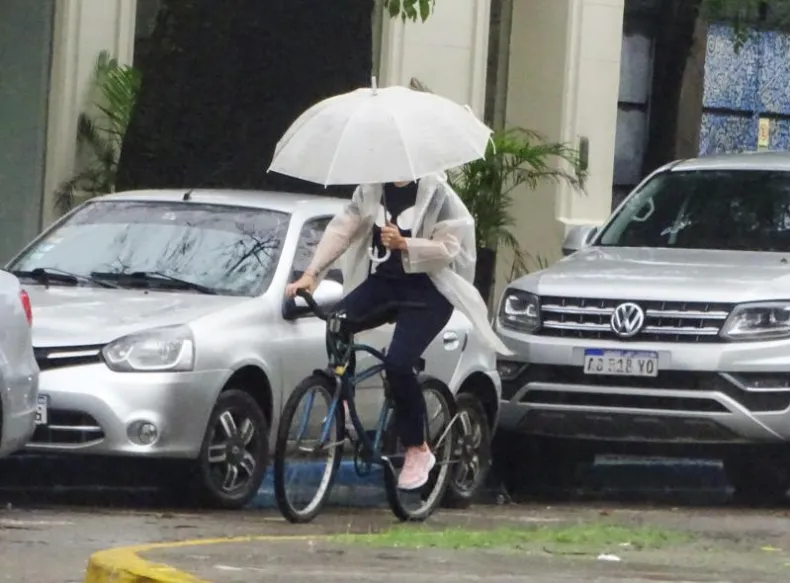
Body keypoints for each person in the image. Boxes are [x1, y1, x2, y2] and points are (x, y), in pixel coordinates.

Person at [286, 173, 510, 491]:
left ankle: (417, 448)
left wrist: (406, 243)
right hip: (386, 284)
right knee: (337, 322)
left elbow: (450, 247)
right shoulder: (371, 190)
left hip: (428, 293)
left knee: (398, 364)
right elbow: (342, 229)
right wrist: (311, 274)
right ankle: (343, 403)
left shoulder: (437, 194)